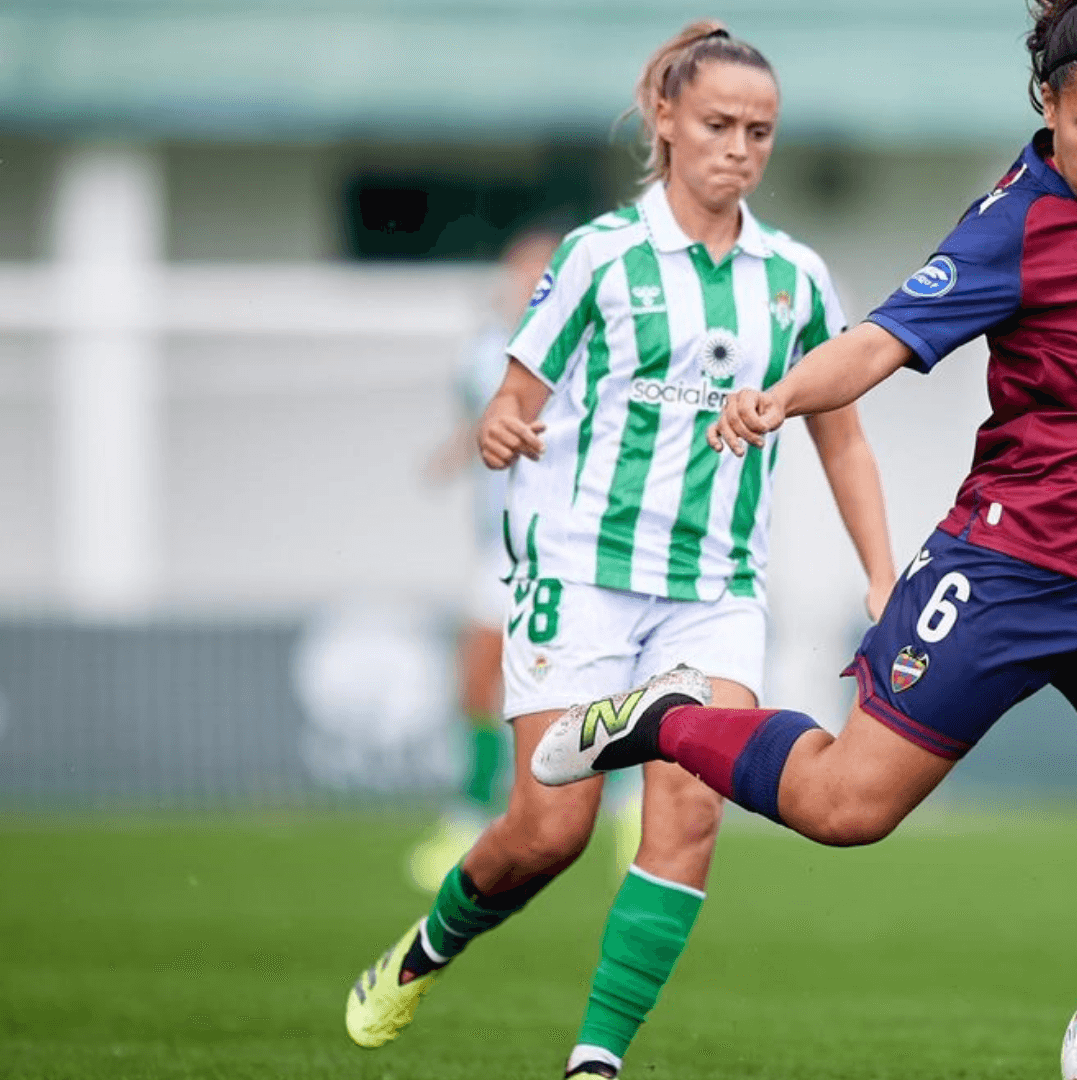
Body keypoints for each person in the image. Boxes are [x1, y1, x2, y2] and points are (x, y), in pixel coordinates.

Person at [533, 3, 1077, 1078]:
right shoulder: (1013, 226)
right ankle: (666, 718)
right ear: (1048, 105)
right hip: (1008, 574)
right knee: (844, 807)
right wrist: (780, 397)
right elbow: (879, 339)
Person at [345, 22, 896, 1080]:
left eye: (760, 131)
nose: (740, 148)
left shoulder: (794, 276)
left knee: (690, 813)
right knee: (548, 834)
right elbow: (514, 399)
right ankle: (424, 952)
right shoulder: (598, 255)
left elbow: (843, 435)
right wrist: (501, 428)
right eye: (720, 124)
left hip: (716, 590)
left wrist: (881, 574)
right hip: (579, 575)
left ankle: (595, 1060)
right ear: (667, 121)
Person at [409, 226, 563, 894]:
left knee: (587, 685)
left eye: (541, 272)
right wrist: (452, 454)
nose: (528, 283)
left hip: (566, 544)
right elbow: (483, 420)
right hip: (499, 545)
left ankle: (624, 807)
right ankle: (470, 813)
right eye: (521, 271)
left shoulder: (582, 345)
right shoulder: (481, 353)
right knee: (477, 677)